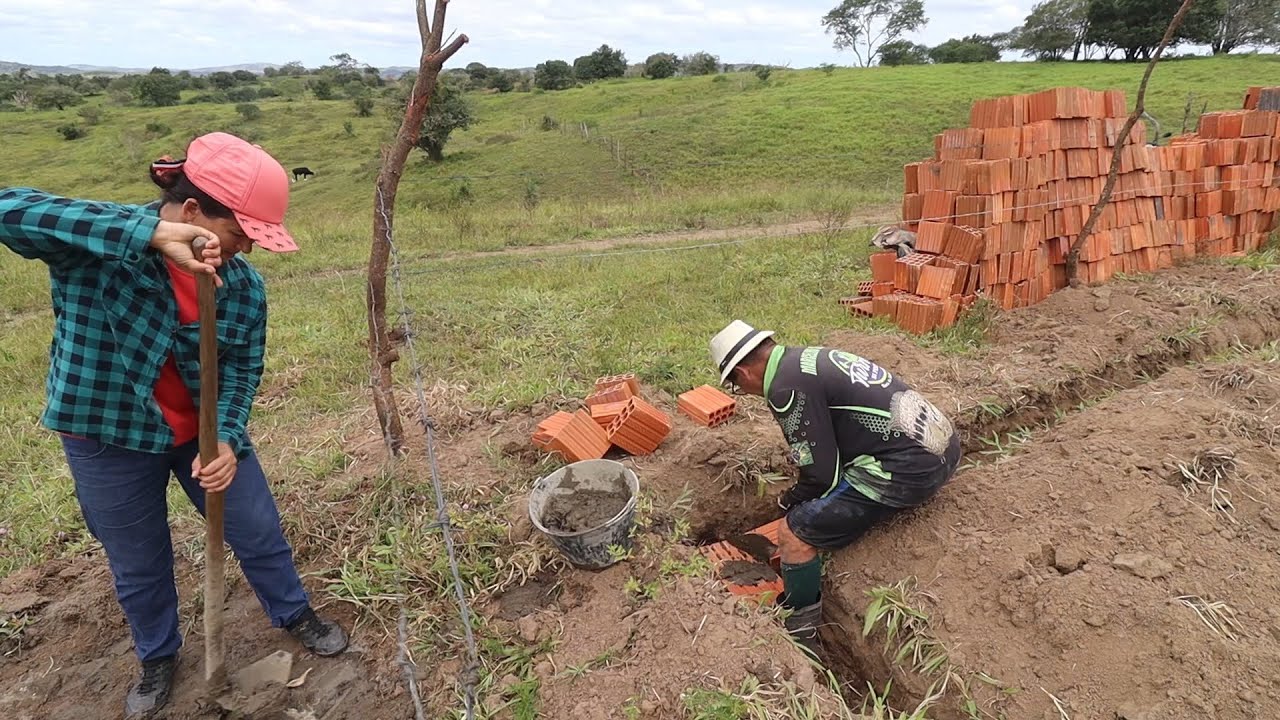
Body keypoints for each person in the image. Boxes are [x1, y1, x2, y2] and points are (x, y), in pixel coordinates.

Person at [1, 132, 348, 718]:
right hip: (107, 435)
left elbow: (241, 370)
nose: (247, 248)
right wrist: (148, 234)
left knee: (258, 529)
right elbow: (9, 209)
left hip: (201, 437)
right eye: (240, 233)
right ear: (191, 211)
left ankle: (294, 613)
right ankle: (158, 656)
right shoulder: (98, 249)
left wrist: (228, 438)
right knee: (138, 561)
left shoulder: (242, 287)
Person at [709, 320, 961, 649]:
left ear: (742, 373)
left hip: (910, 471)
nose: (744, 392)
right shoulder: (806, 359)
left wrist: (790, 505)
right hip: (942, 446)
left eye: (737, 387)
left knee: (794, 534)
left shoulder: (785, 389)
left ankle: (800, 631)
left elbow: (821, 476)